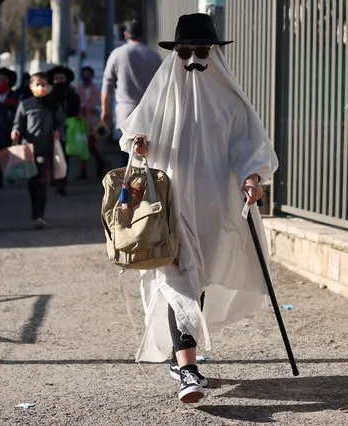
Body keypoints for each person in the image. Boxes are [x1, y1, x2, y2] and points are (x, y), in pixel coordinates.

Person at [118, 13, 279, 404]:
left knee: (197, 280)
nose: (192, 59)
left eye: (200, 50)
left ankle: (181, 358)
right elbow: (134, 137)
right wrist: (139, 146)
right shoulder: (160, 95)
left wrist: (252, 180)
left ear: (213, 53)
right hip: (169, 208)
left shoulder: (231, 102)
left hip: (216, 211)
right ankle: (188, 369)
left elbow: (250, 149)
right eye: (185, 51)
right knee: (179, 283)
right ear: (176, 53)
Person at [101, 20, 162, 164]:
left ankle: (127, 185)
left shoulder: (117, 54)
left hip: (125, 113)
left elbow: (107, 84)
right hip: (149, 113)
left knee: (127, 154)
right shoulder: (154, 56)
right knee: (148, 154)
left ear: (126, 34)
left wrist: (105, 110)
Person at [11, 72, 66, 228]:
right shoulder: (25, 105)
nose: (41, 87)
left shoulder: (53, 104)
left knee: (41, 181)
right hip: (28, 148)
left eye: (44, 84)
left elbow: (61, 121)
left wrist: (58, 132)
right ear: (31, 86)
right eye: (38, 84)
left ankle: (40, 214)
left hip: (45, 147)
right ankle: (35, 210)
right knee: (32, 181)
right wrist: (15, 131)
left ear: (48, 86)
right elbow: (18, 123)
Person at [47, 65, 80, 196]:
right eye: (56, 79)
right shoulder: (48, 97)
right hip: (52, 131)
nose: (59, 81)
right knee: (53, 157)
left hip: (68, 131)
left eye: (62, 78)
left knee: (64, 158)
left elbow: (75, 111)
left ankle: (62, 183)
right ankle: (54, 178)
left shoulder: (73, 96)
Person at [77, 65, 106, 180]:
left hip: (93, 121)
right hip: (81, 120)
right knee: (82, 146)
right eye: (84, 75)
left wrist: (96, 109)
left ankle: (100, 161)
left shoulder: (96, 89)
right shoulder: (79, 89)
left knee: (90, 145)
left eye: (88, 74)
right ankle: (83, 170)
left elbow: (101, 105)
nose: (86, 77)